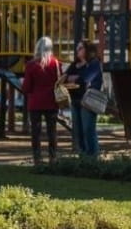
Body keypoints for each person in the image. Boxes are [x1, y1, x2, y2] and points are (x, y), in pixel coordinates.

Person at [21, 36, 63, 165]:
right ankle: (53, 157)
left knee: (36, 132)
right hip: (51, 101)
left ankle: (37, 158)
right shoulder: (56, 63)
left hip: (35, 102)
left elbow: (26, 87)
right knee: (52, 131)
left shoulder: (31, 65)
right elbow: (59, 82)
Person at [65, 41, 103, 156]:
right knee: (78, 131)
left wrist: (75, 79)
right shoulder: (74, 65)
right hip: (74, 100)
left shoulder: (94, 64)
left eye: (80, 48)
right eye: (77, 48)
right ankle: (83, 157)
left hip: (88, 102)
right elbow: (64, 78)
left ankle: (92, 158)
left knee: (88, 130)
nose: (77, 51)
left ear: (88, 50)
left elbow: (85, 79)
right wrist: (75, 79)